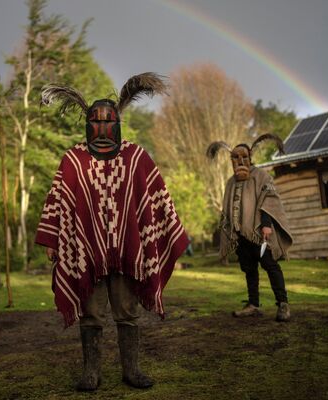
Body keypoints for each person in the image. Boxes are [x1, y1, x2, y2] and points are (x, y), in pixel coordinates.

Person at [36, 73, 189, 391]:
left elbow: (156, 198)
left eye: (109, 121)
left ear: (119, 123)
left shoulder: (136, 158)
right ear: (87, 124)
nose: (102, 128)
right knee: (90, 313)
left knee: (127, 311)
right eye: (96, 122)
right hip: (84, 252)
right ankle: (91, 372)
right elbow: (57, 199)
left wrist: (161, 236)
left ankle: (131, 369)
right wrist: (52, 239)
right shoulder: (73, 160)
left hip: (128, 252)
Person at [206, 135, 293, 322]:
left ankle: (283, 304)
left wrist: (267, 225)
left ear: (250, 156)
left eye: (243, 156)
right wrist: (231, 232)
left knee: (270, 266)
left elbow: (269, 200)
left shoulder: (261, 176)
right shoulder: (231, 182)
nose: (239, 161)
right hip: (240, 234)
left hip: (259, 232)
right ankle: (253, 304)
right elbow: (227, 208)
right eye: (235, 158)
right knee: (249, 270)